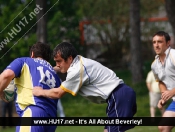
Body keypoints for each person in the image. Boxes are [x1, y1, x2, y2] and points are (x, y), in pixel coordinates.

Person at [33, 42, 137, 132]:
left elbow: (58, 93)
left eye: (59, 61)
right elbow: (60, 68)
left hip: (118, 97)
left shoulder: (76, 70)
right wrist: (49, 68)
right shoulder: (78, 60)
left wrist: (40, 92)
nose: (57, 64)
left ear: (69, 58)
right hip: (120, 96)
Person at [0, 42, 61, 132]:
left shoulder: (24, 61)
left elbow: (7, 75)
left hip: (33, 113)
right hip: (51, 120)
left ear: (32, 54)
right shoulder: (54, 74)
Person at [151, 31, 175, 132]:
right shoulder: (154, 65)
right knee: (163, 127)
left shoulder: (174, 55)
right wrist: (164, 96)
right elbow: (161, 81)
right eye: (154, 42)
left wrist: (172, 92)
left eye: (160, 42)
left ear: (168, 43)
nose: (156, 45)